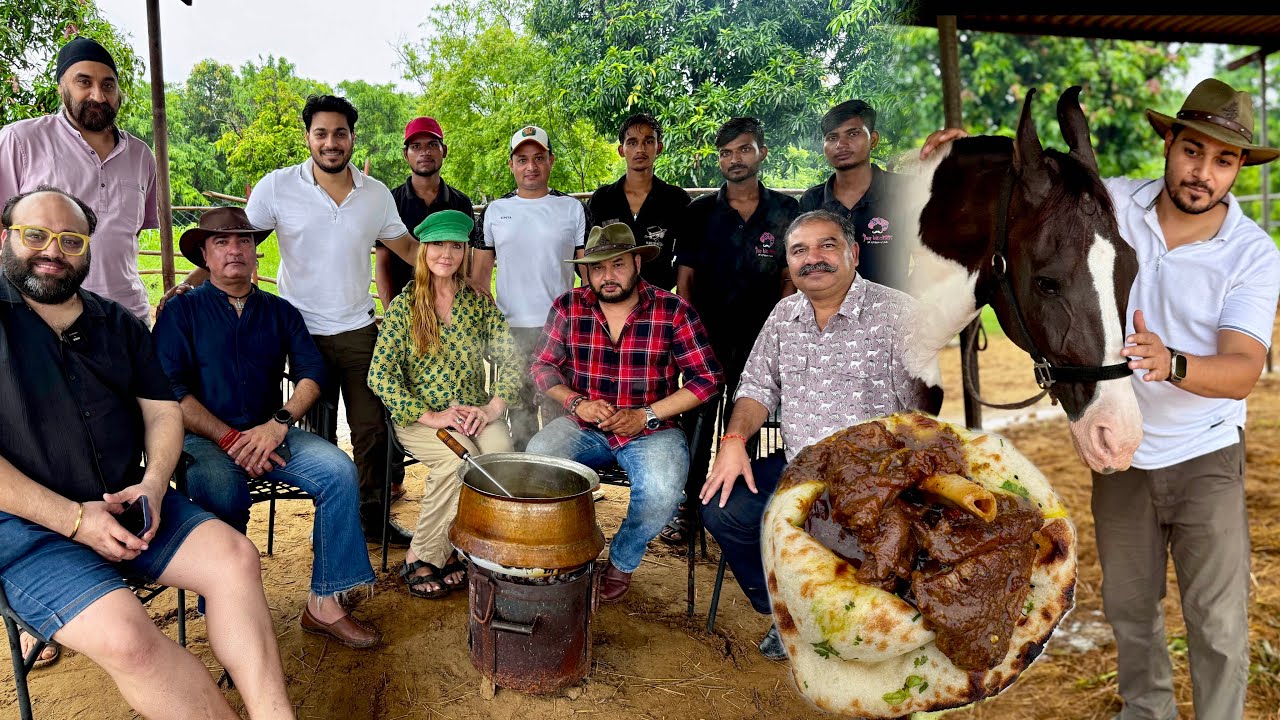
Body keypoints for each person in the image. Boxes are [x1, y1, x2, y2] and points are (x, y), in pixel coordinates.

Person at [920, 78, 1280, 720]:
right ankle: (1148, 712)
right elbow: (1022, 193)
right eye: (1192, 151)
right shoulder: (1111, 203)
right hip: (1124, 454)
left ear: (1238, 170)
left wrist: (1171, 364)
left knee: (1218, 622)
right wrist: (954, 161)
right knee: (1130, 609)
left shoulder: (1251, 253)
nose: (1203, 173)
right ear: (1168, 142)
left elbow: (1244, 370)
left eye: (1224, 161)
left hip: (1205, 456)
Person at [0, 187, 293, 718]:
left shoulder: (117, 323)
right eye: (35, 235)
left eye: (70, 240)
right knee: (130, 639)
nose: (52, 251)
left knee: (236, 559)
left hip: (133, 501)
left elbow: (162, 409)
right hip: (28, 529)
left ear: (88, 247)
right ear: (6, 238)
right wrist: (72, 520)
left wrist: (155, 483)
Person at [166, 95, 423, 546]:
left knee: (371, 428)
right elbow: (230, 247)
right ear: (308, 137)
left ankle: (372, 517)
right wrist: (188, 285)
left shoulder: (376, 195)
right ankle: (325, 524)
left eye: (340, 133)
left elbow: (407, 249)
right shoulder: (277, 187)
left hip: (357, 327)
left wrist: (449, 273)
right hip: (296, 326)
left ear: (352, 137)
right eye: (321, 133)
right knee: (313, 431)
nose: (331, 142)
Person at [698, 209, 941, 660]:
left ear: (854, 252)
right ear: (788, 264)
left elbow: (924, 418)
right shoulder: (783, 314)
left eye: (826, 246)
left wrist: (891, 478)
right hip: (800, 466)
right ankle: (788, 612)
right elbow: (755, 389)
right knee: (722, 507)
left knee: (880, 532)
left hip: (879, 476)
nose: (814, 259)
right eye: (799, 251)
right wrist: (733, 443)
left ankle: (865, 624)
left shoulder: (899, 315)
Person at [153, 207, 380, 649]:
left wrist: (278, 424)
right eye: (222, 242)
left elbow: (312, 372)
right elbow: (171, 390)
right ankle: (227, 610)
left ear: (257, 253)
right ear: (205, 253)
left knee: (338, 472)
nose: (234, 250)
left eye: (243, 242)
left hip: (269, 433)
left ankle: (325, 602)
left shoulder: (280, 311)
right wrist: (229, 438)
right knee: (221, 488)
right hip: (205, 438)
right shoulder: (182, 311)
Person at [526, 222, 723, 603]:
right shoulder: (568, 305)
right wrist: (576, 402)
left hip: (652, 429)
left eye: (617, 265)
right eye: (598, 268)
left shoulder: (673, 309)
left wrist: (646, 414)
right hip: (584, 423)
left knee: (663, 494)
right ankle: (570, 552)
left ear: (636, 262)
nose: (607, 276)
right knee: (536, 465)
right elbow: (541, 367)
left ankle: (622, 559)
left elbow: (707, 378)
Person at [369, 210, 521, 598]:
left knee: (501, 457)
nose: (446, 253)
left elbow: (514, 360)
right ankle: (422, 556)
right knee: (459, 460)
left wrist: (490, 409)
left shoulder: (478, 304)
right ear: (423, 249)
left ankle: (464, 547)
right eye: (438, 244)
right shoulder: (406, 306)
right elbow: (380, 375)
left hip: (473, 412)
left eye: (456, 245)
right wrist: (433, 414)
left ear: (466, 251)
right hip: (419, 417)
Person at [671, 116, 800, 545]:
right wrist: (689, 341)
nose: (734, 159)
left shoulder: (785, 211)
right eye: (726, 152)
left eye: (744, 149)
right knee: (696, 423)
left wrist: (777, 333)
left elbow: (789, 278)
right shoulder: (698, 213)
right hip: (704, 341)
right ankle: (688, 506)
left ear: (761, 151)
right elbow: (684, 283)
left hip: (762, 342)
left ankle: (739, 508)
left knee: (752, 425)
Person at [0, 37, 158, 324]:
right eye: (83, 82)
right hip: (43, 320)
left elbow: (126, 237)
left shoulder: (141, 155)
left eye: (108, 85)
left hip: (126, 318)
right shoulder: (20, 141)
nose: (98, 95)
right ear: (62, 87)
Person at [375, 116, 479, 502]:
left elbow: (465, 262)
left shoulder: (460, 202)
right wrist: (394, 314)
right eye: (416, 146)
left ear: (443, 151)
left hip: (449, 306)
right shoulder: (392, 199)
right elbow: (384, 261)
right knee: (394, 385)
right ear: (406, 154)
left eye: (431, 145)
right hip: (408, 311)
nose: (424, 152)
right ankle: (392, 479)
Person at [469, 125, 587, 450]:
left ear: (551, 160)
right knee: (518, 412)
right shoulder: (495, 212)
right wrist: (490, 331)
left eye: (538, 158)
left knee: (560, 416)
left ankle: (559, 487)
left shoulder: (574, 209)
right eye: (522, 159)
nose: (530, 167)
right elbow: (479, 281)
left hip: (561, 331)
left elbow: (589, 279)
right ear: (511, 164)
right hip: (512, 329)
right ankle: (523, 487)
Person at [799, 99, 909, 290]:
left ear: (873, 139)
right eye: (832, 137)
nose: (841, 144)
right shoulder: (812, 201)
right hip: (829, 313)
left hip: (891, 313)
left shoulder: (905, 191)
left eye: (853, 134)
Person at [586, 113, 691, 291]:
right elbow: (589, 258)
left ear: (659, 147)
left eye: (649, 141)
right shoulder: (602, 199)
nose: (640, 149)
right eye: (632, 142)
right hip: (612, 299)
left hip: (658, 301)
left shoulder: (676, 200)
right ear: (621, 150)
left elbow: (687, 260)